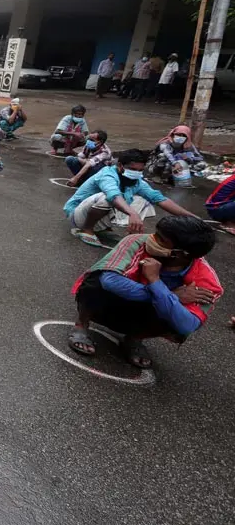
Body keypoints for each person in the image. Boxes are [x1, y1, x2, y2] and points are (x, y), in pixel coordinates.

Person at [67, 216, 222, 368]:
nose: (152, 239)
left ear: (182, 253)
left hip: (144, 313)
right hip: (113, 302)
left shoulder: (205, 279)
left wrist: (155, 282)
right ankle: (82, 324)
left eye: (160, 239)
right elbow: (110, 280)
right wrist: (171, 295)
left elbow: (187, 325)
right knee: (97, 279)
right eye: (155, 234)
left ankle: (134, 339)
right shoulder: (137, 241)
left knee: (175, 318)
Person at [64, 149, 197, 247]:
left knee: (145, 200)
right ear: (120, 166)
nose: (137, 173)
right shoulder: (107, 175)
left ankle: (104, 229)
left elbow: (160, 199)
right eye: (132, 169)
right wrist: (133, 213)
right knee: (107, 197)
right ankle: (87, 230)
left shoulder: (137, 181)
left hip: (95, 212)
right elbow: (113, 195)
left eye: (140, 170)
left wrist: (191, 217)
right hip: (77, 215)